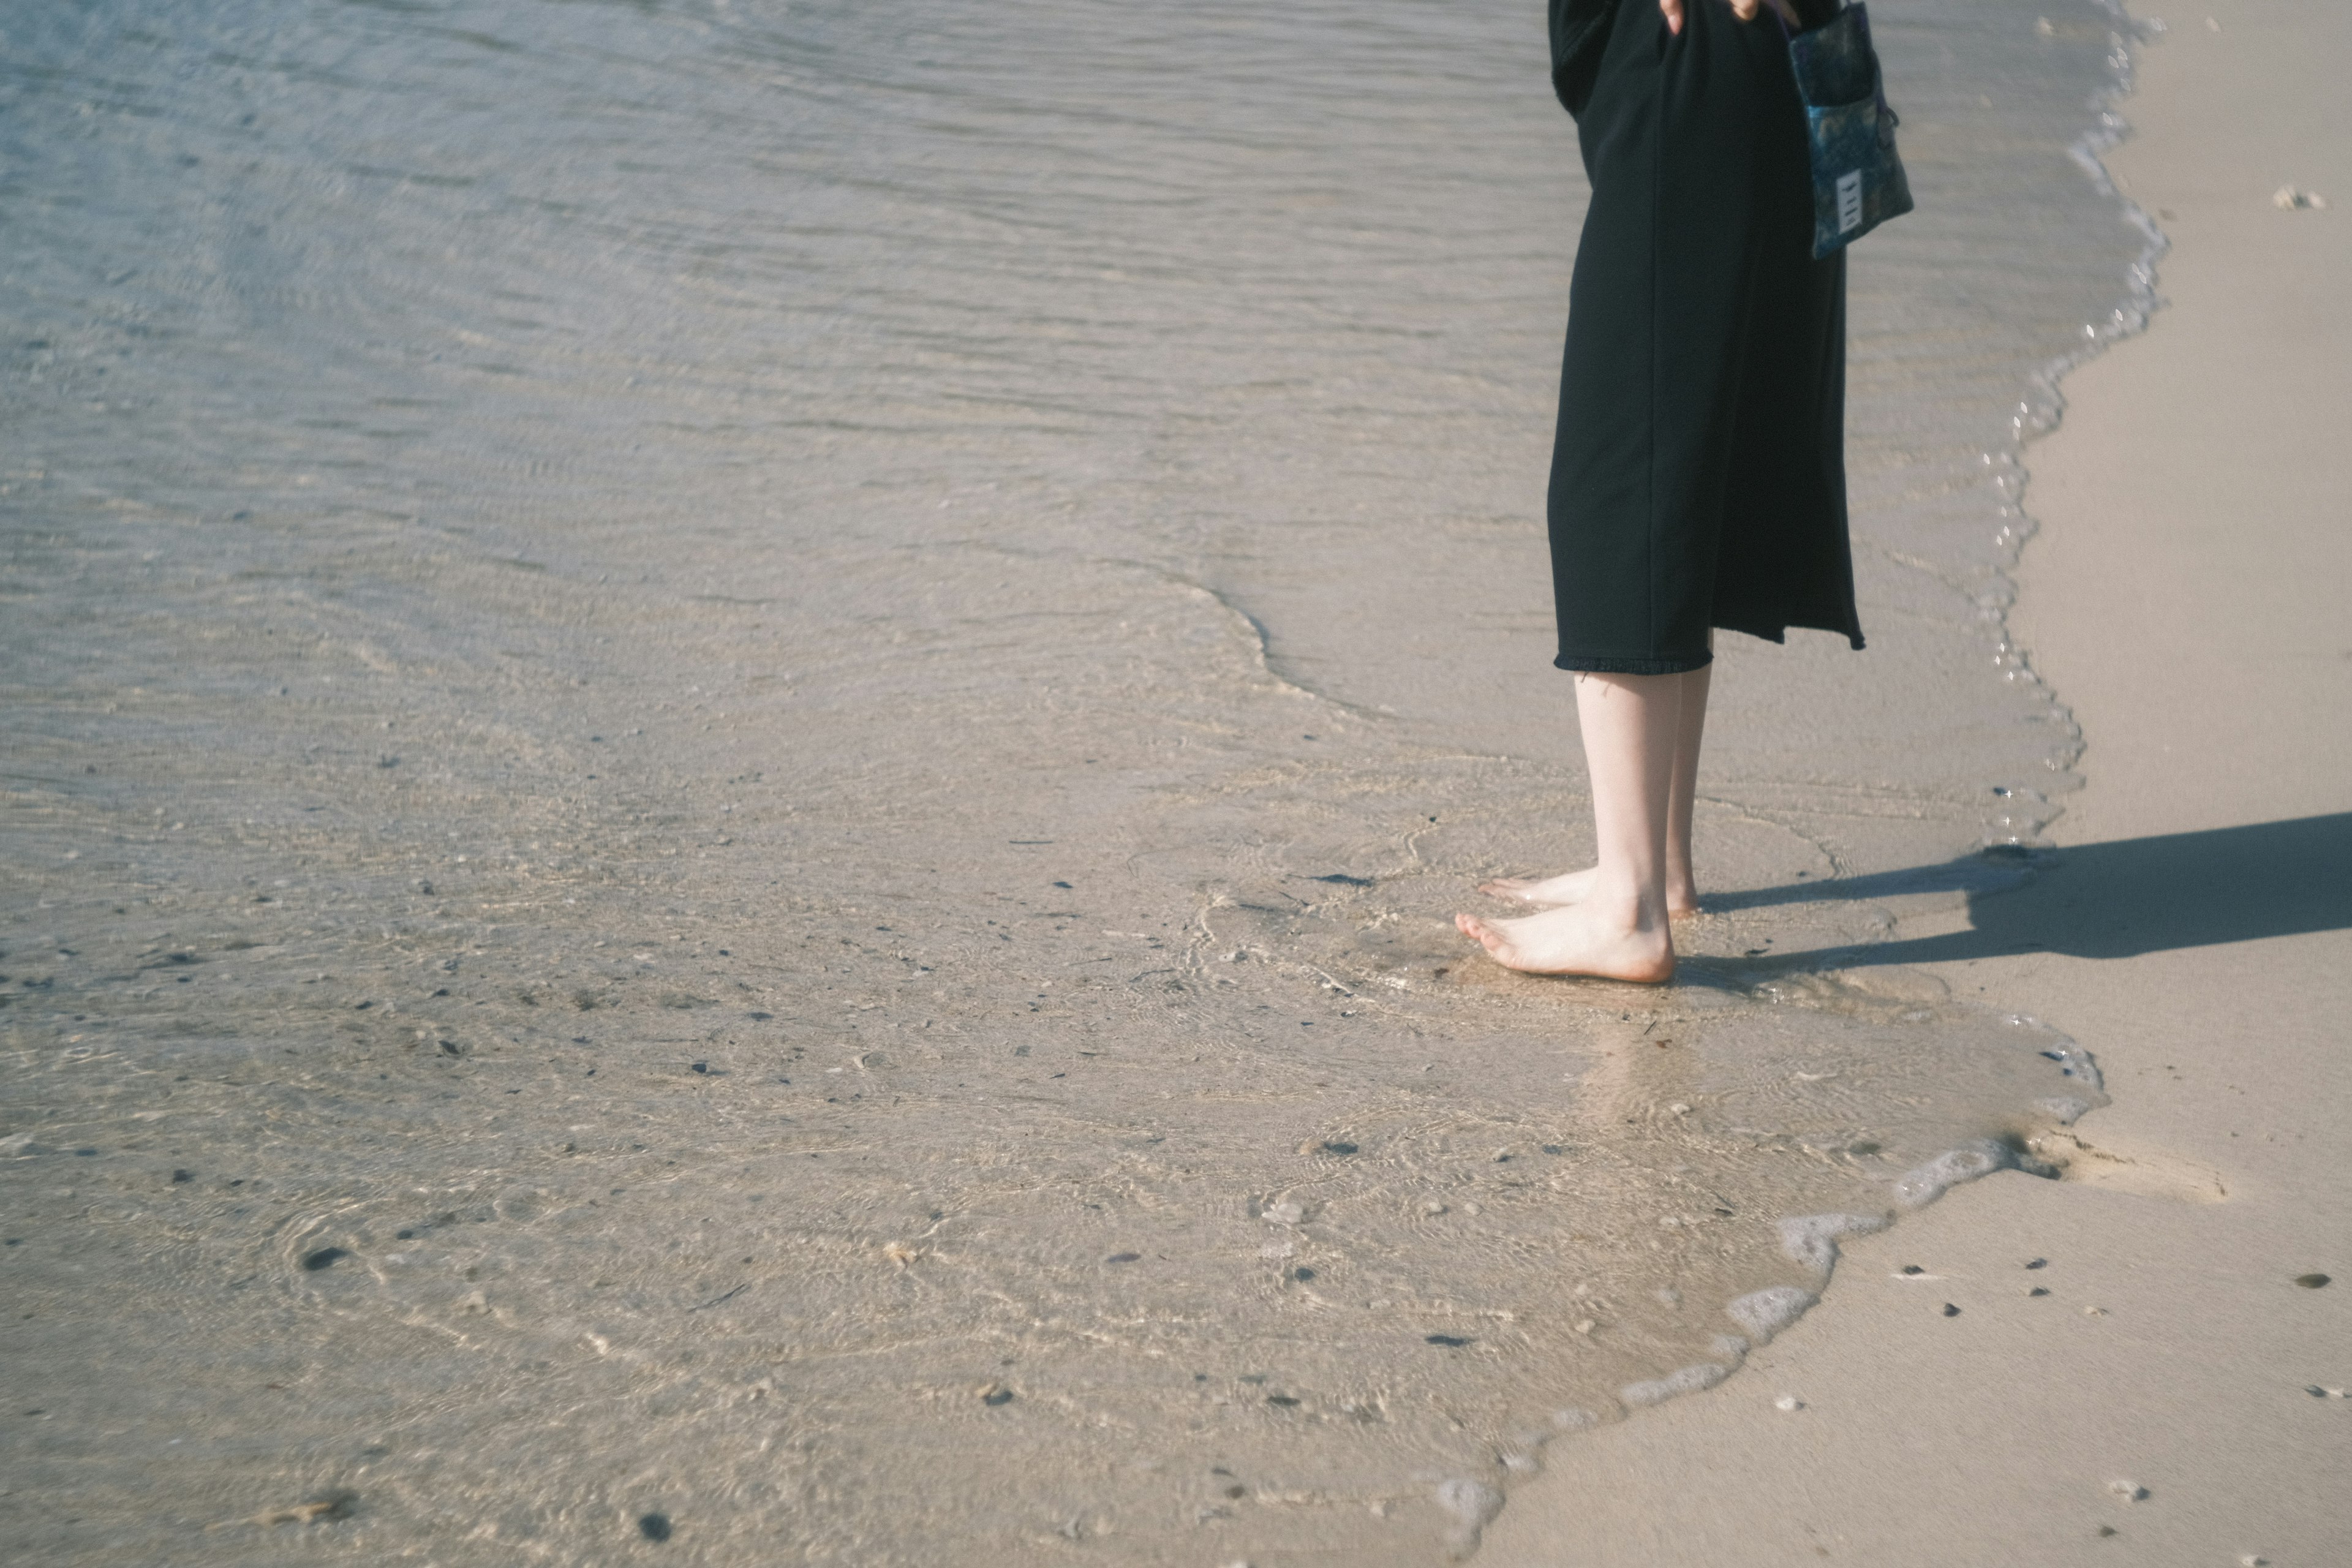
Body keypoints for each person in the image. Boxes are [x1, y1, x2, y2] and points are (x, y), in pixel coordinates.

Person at [1457, 0, 1864, 981]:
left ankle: (1629, 908)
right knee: (1687, 455)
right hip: (1753, 55)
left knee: (1628, 470)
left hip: (1699, 52)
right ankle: (1653, 866)